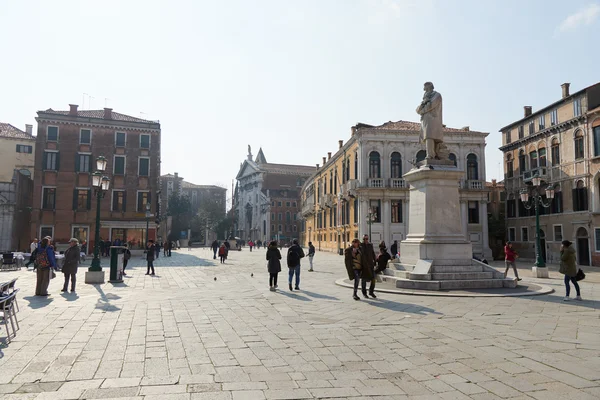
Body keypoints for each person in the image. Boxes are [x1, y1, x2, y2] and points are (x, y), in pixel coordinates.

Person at [359, 234, 376, 298]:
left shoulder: (370, 245)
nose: (365, 240)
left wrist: (375, 260)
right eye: (364, 239)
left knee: (373, 279)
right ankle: (364, 293)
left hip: (371, 265)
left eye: (366, 239)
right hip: (364, 266)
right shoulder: (360, 246)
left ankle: (371, 292)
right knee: (364, 280)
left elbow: (373, 253)